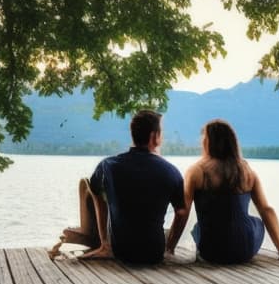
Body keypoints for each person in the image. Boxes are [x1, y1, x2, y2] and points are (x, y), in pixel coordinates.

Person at [50, 110, 188, 264]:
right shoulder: (171, 171)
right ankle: (166, 248)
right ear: (154, 137)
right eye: (161, 133)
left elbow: (95, 191)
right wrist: (169, 248)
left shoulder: (108, 165)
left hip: (120, 250)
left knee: (90, 187)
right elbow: (181, 212)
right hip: (154, 252)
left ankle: (104, 244)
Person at [181, 119, 279, 265]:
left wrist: (170, 247)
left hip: (212, 251)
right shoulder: (246, 171)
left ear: (208, 142)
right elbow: (266, 209)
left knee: (200, 228)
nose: (201, 143)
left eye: (203, 139)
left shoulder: (197, 171)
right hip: (245, 249)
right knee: (256, 222)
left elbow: (183, 211)